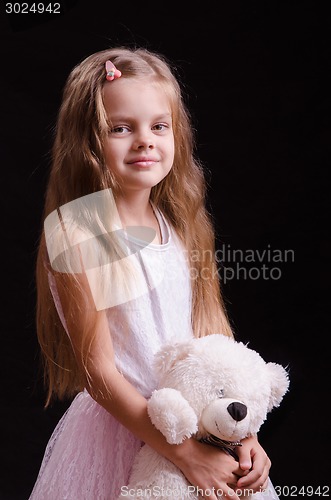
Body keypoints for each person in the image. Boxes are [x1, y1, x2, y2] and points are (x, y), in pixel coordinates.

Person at [29, 46, 279, 499]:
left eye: (158, 126)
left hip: (196, 421)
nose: (145, 140)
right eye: (121, 128)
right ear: (88, 141)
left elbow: (211, 341)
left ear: (176, 136)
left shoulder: (178, 225)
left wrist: (245, 436)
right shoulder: (80, 230)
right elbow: (99, 372)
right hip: (127, 427)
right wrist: (182, 453)